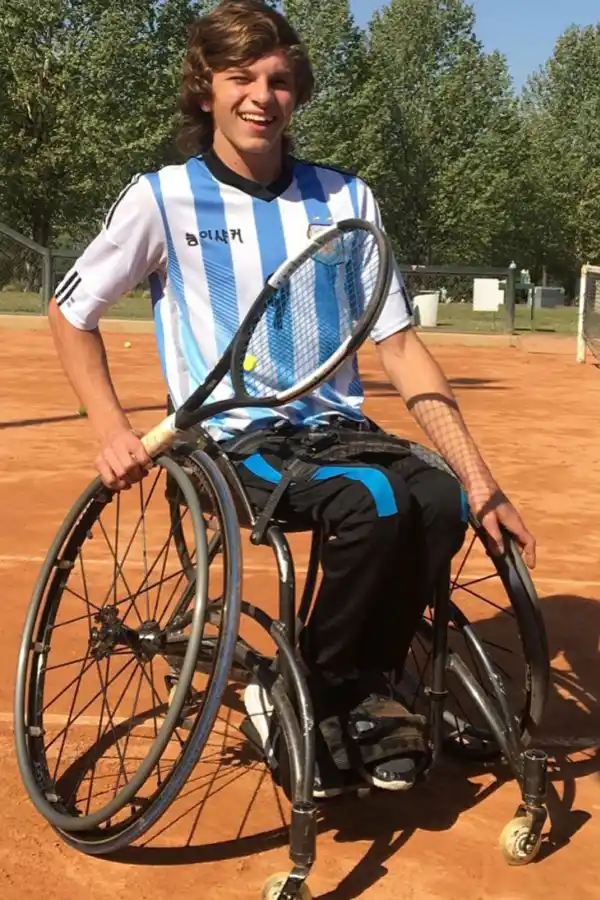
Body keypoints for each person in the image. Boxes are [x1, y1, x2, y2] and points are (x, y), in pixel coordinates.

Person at [48, 0, 536, 798]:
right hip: (229, 443)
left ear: (297, 93)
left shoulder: (347, 201)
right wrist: (111, 429)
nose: (260, 96)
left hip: (335, 432)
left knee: (439, 499)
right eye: (239, 77)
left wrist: (482, 480)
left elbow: (402, 346)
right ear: (205, 89)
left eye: (278, 80)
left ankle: (358, 684)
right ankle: (318, 694)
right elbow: (71, 315)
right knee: (374, 501)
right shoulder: (163, 198)